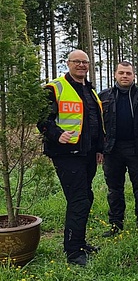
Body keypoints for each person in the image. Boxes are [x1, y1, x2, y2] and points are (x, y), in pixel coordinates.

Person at [37, 49, 104, 266]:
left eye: (85, 62)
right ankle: (74, 253)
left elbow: (94, 122)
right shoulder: (54, 88)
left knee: (86, 197)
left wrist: (100, 148)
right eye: (77, 62)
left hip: (87, 154)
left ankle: (79, 242)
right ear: (68, 63)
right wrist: (57, 134)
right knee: (79, 200)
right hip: (66, 154)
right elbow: (42, 119)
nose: (82, 65)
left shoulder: (90, 90)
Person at [99, 61, 138, 237]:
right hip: (112, 148)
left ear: (134, 76)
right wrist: (98, 147)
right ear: (115, 74)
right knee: (114, 190)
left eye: (128, 73)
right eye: (121, 73)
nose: (125, 76)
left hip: (136, 148)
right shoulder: (103, 96)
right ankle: (116, 225)